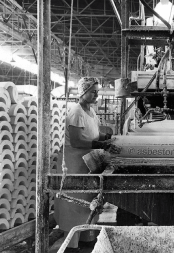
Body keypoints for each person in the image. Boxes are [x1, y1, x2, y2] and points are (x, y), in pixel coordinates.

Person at [54, 77, 120, 252]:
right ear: (83, 92)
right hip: (74, 162)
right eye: (93, 91)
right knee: (74, 203)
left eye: (97, 91)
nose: (96, 95)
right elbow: (76, 140)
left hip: (87, 161)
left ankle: (85, 239)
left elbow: (94, 134)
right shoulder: (76, 111)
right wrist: (99, 145)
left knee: (87, 203)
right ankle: (71, 246)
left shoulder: (90, 111)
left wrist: (107, 139)